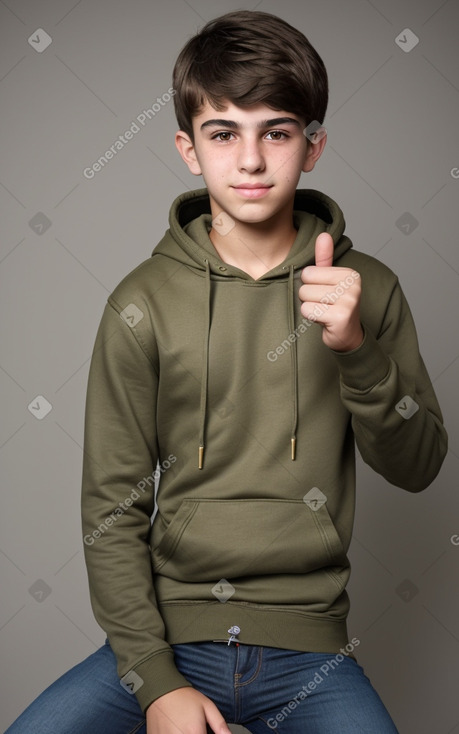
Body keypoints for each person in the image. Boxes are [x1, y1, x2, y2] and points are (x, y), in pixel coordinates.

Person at [6, 9, 447, 734]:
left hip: (311, 651)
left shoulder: (367, 287)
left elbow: (420, 466)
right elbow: (110, 514)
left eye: (275, 132)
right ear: (188, 148)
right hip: (167, 643)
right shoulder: (139, 302)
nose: (249, 160)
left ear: (311, 146)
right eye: (223, 133)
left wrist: (355, 348)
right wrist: (155, 685)